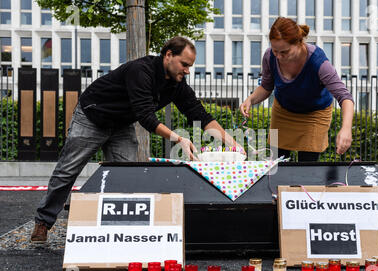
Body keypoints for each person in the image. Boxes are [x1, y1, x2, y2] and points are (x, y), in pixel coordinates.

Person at [31, 36, 243, 243]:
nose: (187, 70)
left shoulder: (177, 84)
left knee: (127, 175)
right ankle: (43, 222)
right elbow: (146, 118)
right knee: (68, 170)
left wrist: (232, 143)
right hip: (92, 117)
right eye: (184, 64)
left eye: (190, 66)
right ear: (168, 55)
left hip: (121, 124)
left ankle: (122, 230)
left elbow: (199, 114)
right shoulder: (141, 71)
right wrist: (179, 139)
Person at [240, 17, 354, 161]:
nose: (279, 57)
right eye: (275, 51)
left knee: (307, 167)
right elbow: (266, 86)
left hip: (314, 114)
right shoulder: (270, 57)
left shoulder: (318, 62)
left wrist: (346, 128)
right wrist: (251, 99)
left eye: (285, 52)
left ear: (299, 43)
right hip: (283, 112)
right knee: (276, 165)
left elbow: (345, 98)